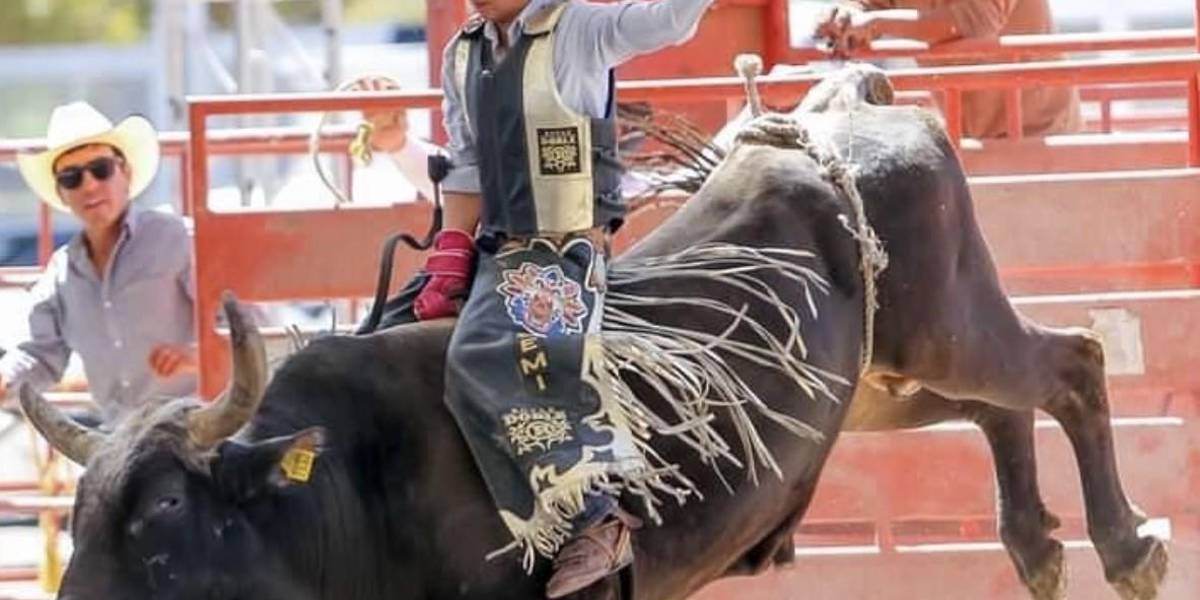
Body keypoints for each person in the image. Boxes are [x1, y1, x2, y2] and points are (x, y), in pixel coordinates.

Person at [367, 0, 713, 596]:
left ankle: (594, 519)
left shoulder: (578, 28)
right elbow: (470, 166)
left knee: (477, 356)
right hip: (498, 250)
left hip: (563, 251)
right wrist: (451, 249)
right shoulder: (463, 53)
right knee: (379, 337)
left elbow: (668, 21)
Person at [0, 102, 197, 424]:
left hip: (195, 430)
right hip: (120, 439)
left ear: (126, 173)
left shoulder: (177, 239)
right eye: (72, 177)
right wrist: (6, 378)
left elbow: (244, 331)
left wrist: (198, 357)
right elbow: (40, 354)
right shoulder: (62, 273)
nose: (89, 185)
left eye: (101, 169)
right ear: (62, 193)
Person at [816, 0, 1082, 139]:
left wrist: (874, 24)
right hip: (965, 134)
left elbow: (977, 20)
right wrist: (845, 16)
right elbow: (868, 4)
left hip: (1038, 133)